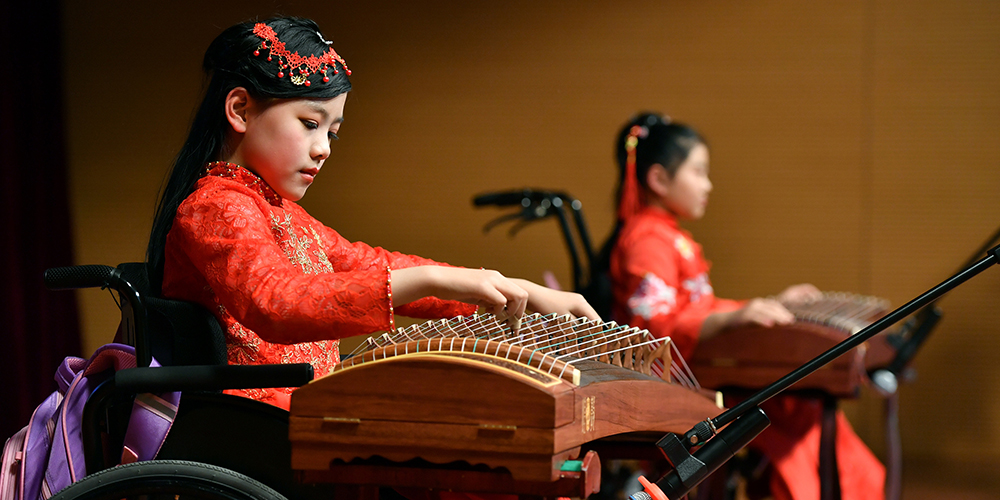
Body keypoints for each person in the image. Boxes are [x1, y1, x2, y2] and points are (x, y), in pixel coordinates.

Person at [145, 17, 598, 411]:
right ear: (240, 109)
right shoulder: (214, 206)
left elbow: (375, 266)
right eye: (310, 123)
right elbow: (278, 302)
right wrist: (436, 280)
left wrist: (515, 290)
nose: (322, 149)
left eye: (332, 133)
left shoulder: (281, 214)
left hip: (296, 413)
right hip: (256, 425)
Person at [601, 112, 885, 500]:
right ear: (659, 179)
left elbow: (698, 307)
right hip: (681, 382)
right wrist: (735, 316)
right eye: (699, 172)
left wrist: (763, 305)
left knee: (798, 409)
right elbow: (655, 327)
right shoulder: (648, 240)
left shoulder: (665, 236)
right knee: (793, 411)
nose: (708, 185)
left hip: (699, 370)